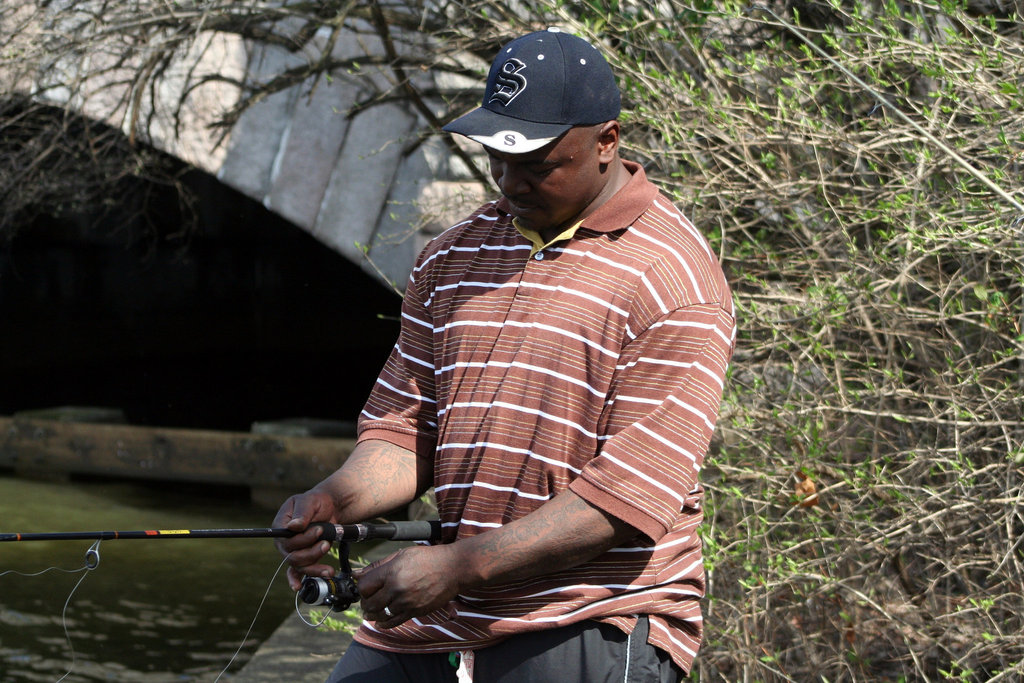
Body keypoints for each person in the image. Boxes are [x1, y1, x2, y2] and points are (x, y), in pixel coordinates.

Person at [274, 27, 736, 682]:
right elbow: (408, 431)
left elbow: (627, 499)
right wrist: (333, 499)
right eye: (497, 157)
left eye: (537, 163)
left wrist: (457, 566)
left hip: (592, 610)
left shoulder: (674, 279)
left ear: (607, 141)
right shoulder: (450, 258)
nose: (509, 181)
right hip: (439, 617)